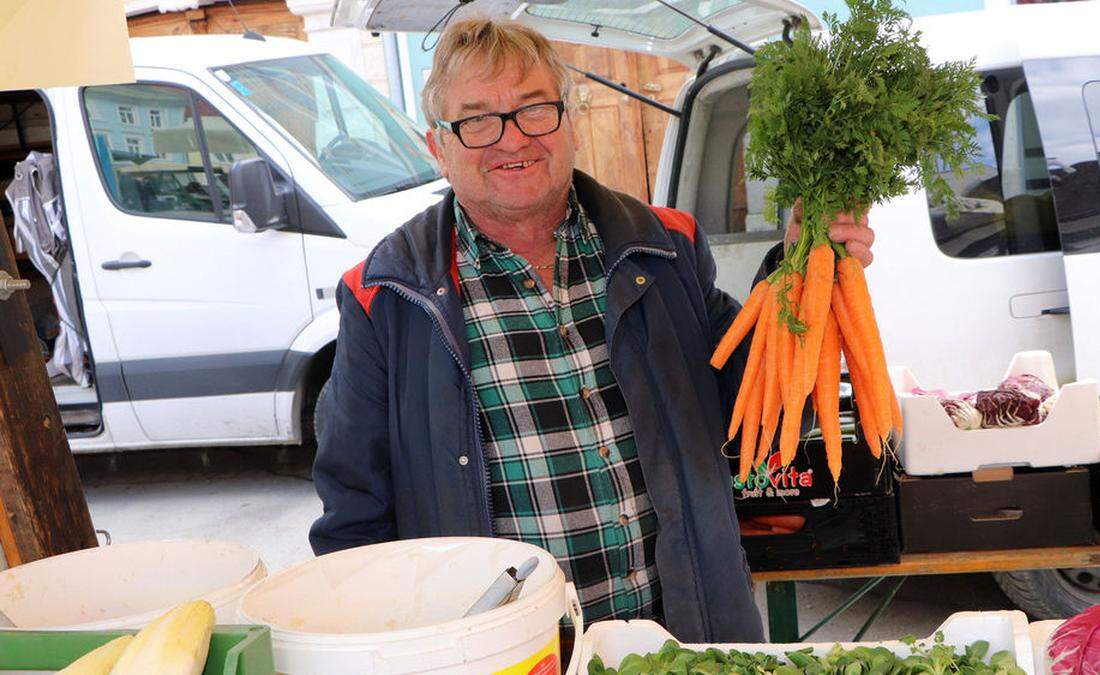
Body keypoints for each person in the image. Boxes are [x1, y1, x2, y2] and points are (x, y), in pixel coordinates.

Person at [309, 16, 875, 643]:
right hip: (510, 653)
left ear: (569, 120)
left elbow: (749, 403)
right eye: (475, 119)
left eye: (534, 109)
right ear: (437, 146)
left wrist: (798, 274)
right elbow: (353, 516)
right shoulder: (384, 296)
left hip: (684, 637)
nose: (511, 138)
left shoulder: (664, 248)